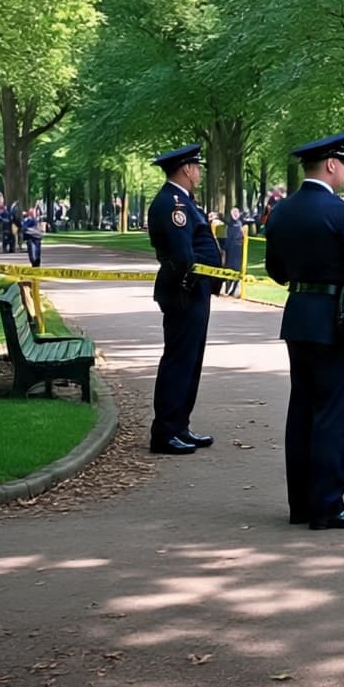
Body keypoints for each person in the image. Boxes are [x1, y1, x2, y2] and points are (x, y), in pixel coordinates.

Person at [264, 131, 344, 530]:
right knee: (333, 412)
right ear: (331, 165)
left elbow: (275, 271)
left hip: (299, 315)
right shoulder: (340, 211)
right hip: (336, 318)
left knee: (302, 410)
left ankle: (300, 504)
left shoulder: (281, 212)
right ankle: (327, 505)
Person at [147, 143, 219, 456]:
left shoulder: (184, 201)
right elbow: (180, 253)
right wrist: (189, 283)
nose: (199, 172)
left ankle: (179, 425)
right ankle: (165, 431)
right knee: (179, 361)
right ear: (187, 169)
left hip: (194, 291)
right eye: (197, 167)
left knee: (190, 361)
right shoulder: (173, 203)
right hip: (184, 292)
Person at [221, 207, 246, 296]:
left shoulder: (239, 225)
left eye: (237, 212)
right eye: (233, 212)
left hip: (237, 250)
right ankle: (227, 290)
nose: (235, 214)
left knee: (236, 270)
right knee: (229, 269)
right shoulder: (229, 225)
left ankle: (233, 290)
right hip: (230, 250)